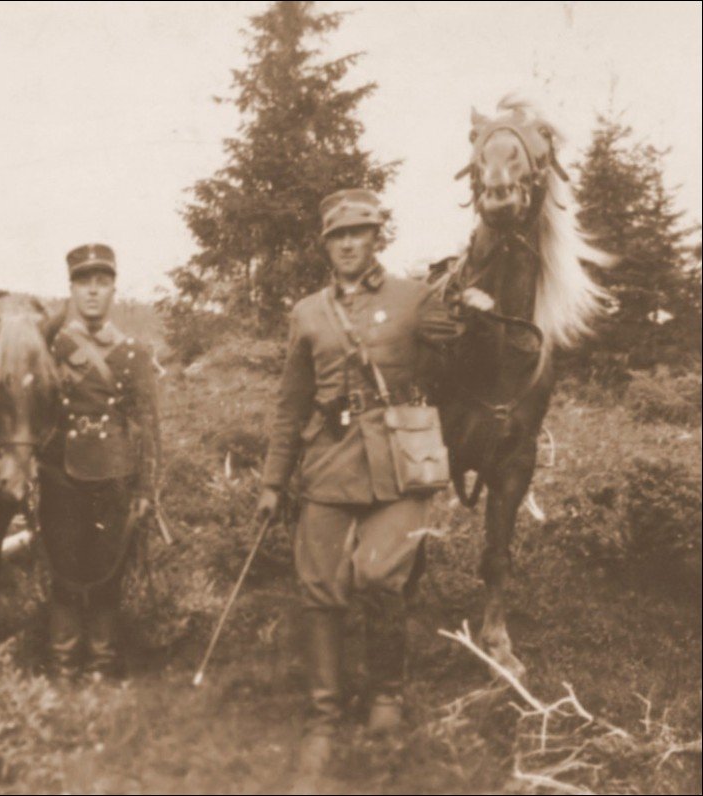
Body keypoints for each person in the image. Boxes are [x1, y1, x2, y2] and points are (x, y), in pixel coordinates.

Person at [254, 189, 488, 776]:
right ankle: (323, 716)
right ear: (326, 244)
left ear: (376, 237)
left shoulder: (414, 299)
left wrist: (477, 304)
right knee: (320, 586)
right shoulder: (308, 313)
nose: (348, 244)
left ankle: (386, 694)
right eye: (337, 235)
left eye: (358, 232)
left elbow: (467, 353)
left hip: (398, 468)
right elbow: (290, 403)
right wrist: (273, 481)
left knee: (380, 574)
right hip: (328, 464)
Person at [38, 243, 161, 679]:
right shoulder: (51, 346)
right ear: (71, 290)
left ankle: (101, 665)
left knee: (108, 570)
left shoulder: (132, 352)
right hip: (61, 474)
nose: (92, 291)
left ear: (113, 290)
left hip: (115, 473)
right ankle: (63, 664)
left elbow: (147, 425)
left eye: (101, 282)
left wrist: (145, 489)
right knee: (64, 568)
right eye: (83, 283)